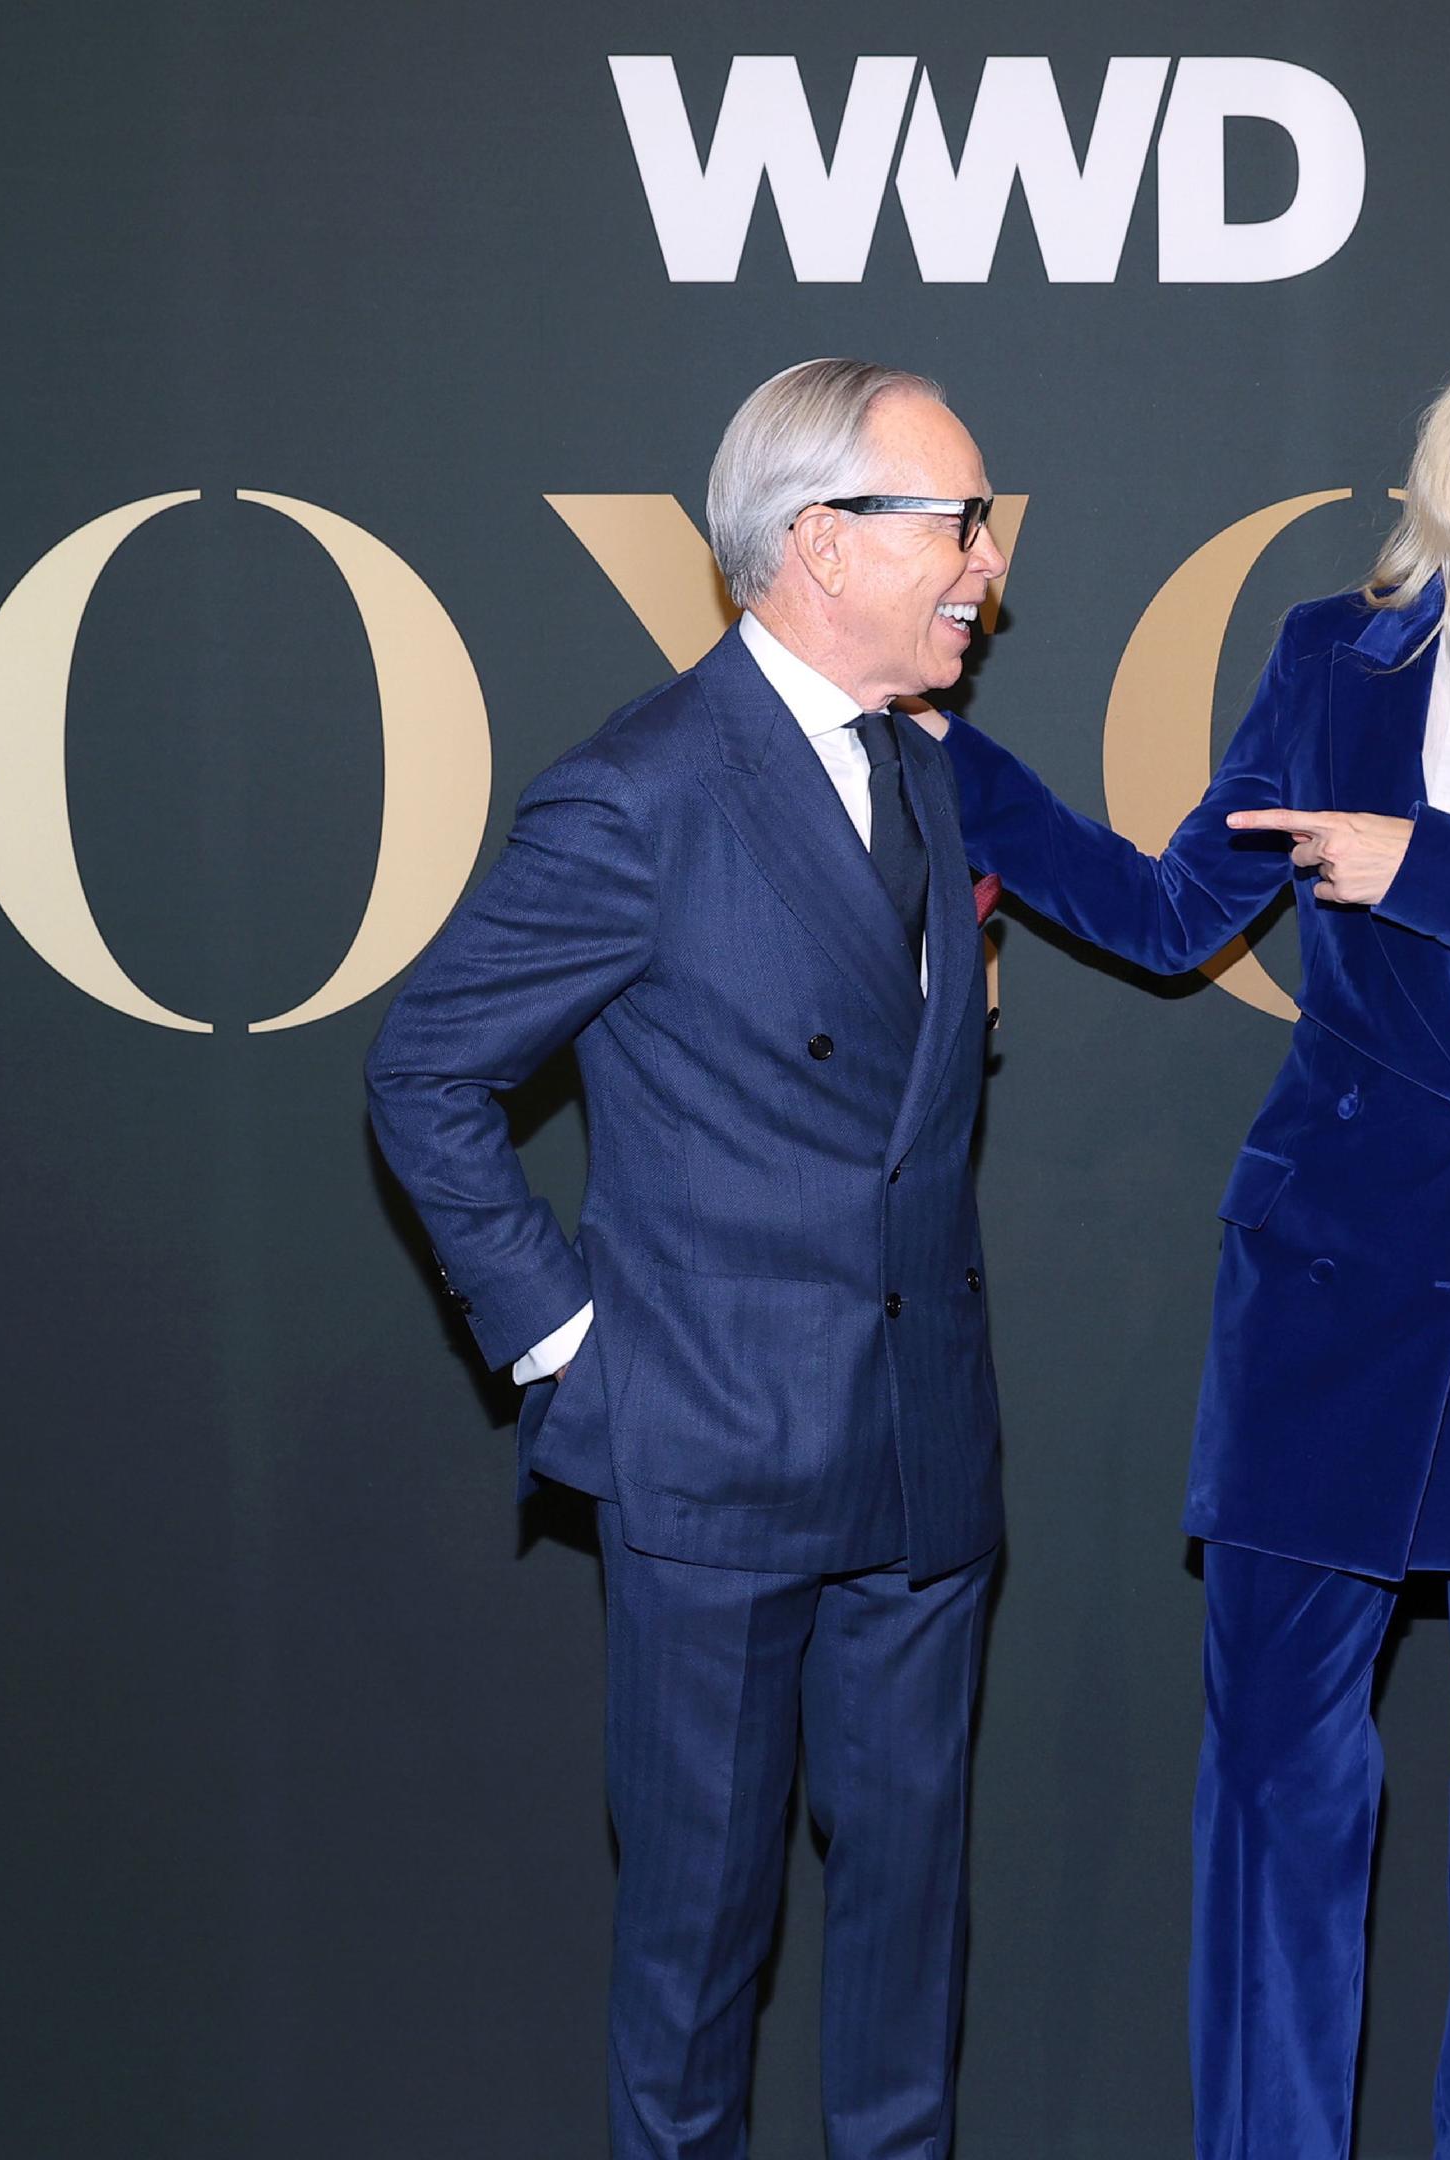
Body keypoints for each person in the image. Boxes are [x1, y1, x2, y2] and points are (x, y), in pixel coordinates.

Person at [915, 285, 1450, 2160]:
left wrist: (1427, 867)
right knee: (1274, 1804)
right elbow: (1163, 915)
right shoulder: (1338, 653)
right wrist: (933, 757)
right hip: (1323, 1284)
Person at [366, 358, 1012, 2160]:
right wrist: (575, 1347)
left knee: (904, 1964)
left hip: (924, 1458)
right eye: (955, 521)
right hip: (712, 1462)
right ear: (816, 540)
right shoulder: (642, 795)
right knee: (695, 1963)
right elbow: (427, 1071)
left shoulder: (926, 773)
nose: (985, 563)